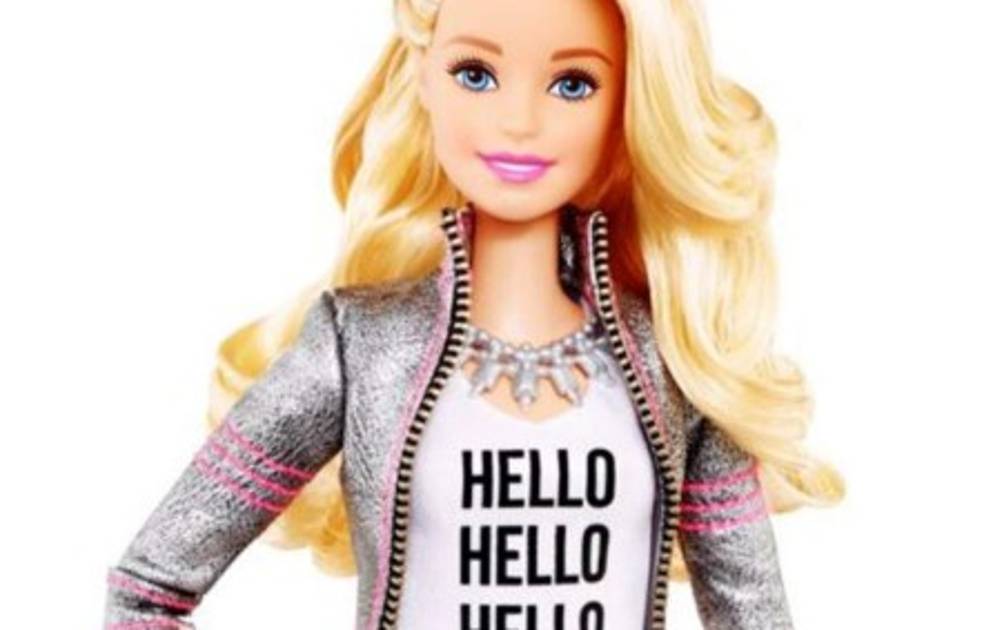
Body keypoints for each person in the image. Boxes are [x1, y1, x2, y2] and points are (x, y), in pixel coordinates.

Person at [102, 0, 845, 628]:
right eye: (476, 74)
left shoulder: (676, 361)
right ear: (424, 79)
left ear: (628, 107)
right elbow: (146, 589)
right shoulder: (358, 346)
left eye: (574, 84)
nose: (519, 121)